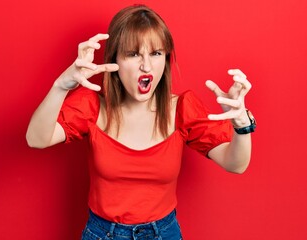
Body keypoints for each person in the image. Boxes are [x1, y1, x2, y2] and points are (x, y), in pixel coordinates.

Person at [26, 4, 255, 240]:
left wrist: (242, 126)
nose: (146, 66)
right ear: (114, 59)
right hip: (103, 234)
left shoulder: (181, 109)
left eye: (156, 53)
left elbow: (235, 164)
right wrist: (60, 86)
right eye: (133, 54)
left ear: (165, 59)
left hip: (163, 234)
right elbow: (36, 139)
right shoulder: (93, 107)